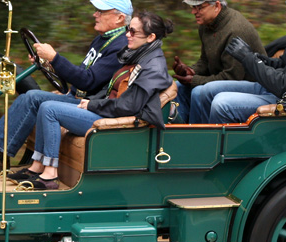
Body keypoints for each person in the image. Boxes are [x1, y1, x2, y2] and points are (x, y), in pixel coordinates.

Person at [0, 0, 133, 179]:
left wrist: (55, 58)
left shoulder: (120, 45)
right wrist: (49, 64)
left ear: (119, 18)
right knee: (30, 96)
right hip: (75, 97)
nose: (95, 14)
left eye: (101, 11)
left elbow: (88, 80)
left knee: (37, 100)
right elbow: (82, 74)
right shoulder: (103, 38)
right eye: (96, 10)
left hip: (89, 105)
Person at [10, 10, 174, 190]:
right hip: (106, 111)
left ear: (150, 37)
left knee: (50, 109)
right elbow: (110, 89)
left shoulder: (153, 66)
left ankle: (49, 176)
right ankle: (36, 167)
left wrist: (92, 104)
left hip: (116, 123)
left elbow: (129, 105)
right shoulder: (136, 56)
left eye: (133, 32)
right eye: (128, 29)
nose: (127, 34)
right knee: (45, 104)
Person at [171, 0, 264, 123]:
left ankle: (198, 138)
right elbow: (205, 61)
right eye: (192, 7)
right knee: (177, 88)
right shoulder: (206, 24)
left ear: (217, 6)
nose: (193, 12)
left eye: (199, 7)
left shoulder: (236, 30)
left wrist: (195, 80)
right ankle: (176, 131)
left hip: (252, 85)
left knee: (197, 91)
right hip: (225, 79)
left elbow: (233, 77)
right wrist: (191, 71)